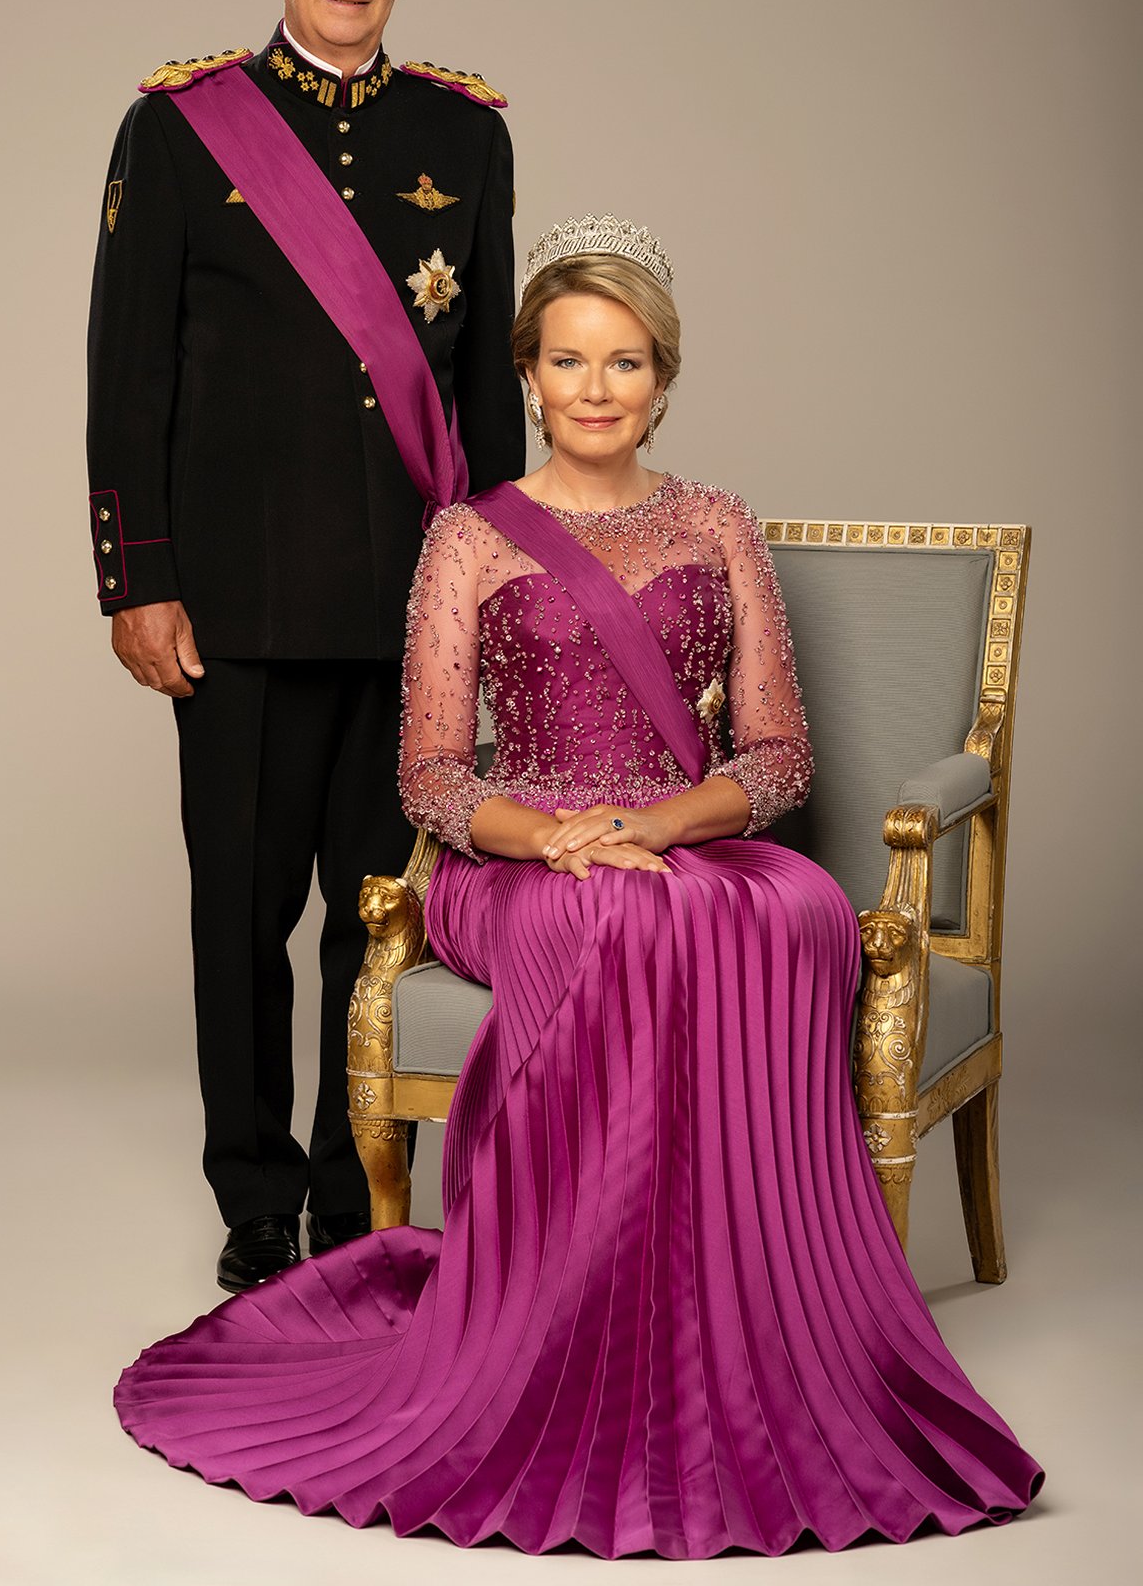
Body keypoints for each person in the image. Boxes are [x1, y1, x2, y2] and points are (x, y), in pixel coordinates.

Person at [114, 218, 1042, 1559]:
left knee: (792, 908)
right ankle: (564, 1318)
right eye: (567, 360)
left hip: (686, 836)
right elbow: (430, 776)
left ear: (663, 379)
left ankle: (725, 1309)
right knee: (613, 915)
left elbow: (779, 759)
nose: (595, 388)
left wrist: (659, 823)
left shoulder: (716, 524)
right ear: (530, 378)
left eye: (624, 362)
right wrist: (548, 840)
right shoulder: (468, 539)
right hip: (517, 856)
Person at [86, 0, 523, 1293]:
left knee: (378, 920)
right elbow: (125, 376)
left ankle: (357, 1182)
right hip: (235, 603)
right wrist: (136, 579)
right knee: (242, 913)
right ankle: (255, 1194)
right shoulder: (180, 128)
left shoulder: (467, 139)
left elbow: (480, 410)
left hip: (406, 604)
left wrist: (493, 594)